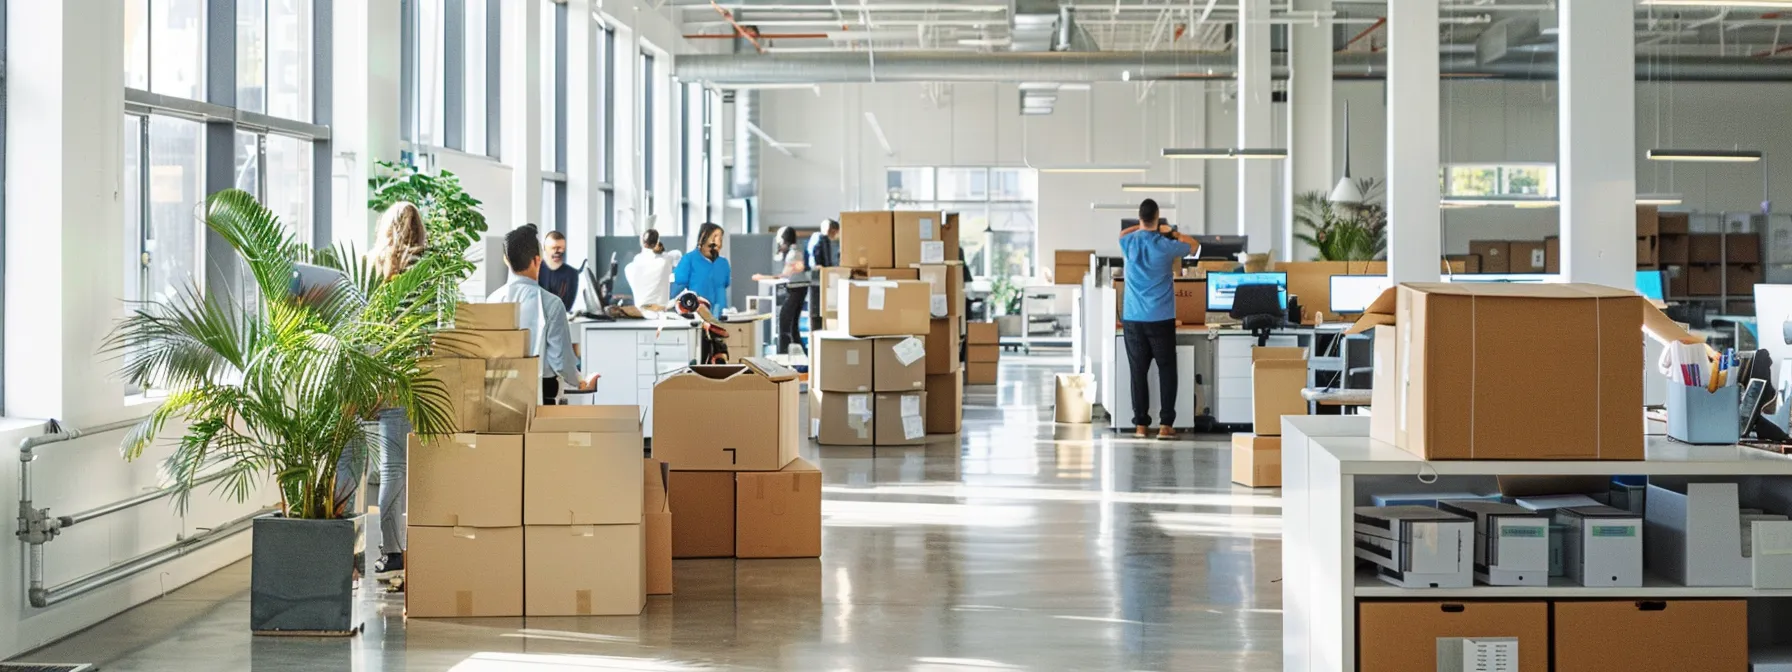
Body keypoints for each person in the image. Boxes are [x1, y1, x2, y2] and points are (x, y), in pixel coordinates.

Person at [363, 201, 426, 579]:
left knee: (389, 468)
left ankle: (390, 550)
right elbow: (436, 324)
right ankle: (421, 545)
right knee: (417, 469)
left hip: (379, 375)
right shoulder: (425, 267)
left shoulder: (370, 266)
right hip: (416, 378)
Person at [488, 225, 599, 403]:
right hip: (541, 396)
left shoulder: (492, 300)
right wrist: (581, 382)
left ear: (506, 260)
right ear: (537, 260)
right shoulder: (551, 303)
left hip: (498, 396)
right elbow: (560, 362)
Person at [1118, 199, 1198, 440]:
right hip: (1161, 317)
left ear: (1139, 217)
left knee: (1138, 372)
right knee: (1167, 370)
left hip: (1133, 319)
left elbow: (1123, 233)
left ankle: (1141, 426)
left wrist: (1141, 227)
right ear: (1158, 216)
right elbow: (1194, 246)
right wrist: (1170, 231)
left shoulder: (1128, 242)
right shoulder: (1166, 245)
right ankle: (1165, 425)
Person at [755, 226, 810, 354]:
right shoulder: (795, 251)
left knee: (784, 322)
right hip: (798, 288)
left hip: (796, 289)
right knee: (793, 325)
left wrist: (762, 277)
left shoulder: (793, 254)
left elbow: (784, 275)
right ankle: (800, 354)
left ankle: (783, 353)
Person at [672, 222, 732, 313]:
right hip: (696, 313)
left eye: (720, 239)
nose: (718, 243)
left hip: (720, 315)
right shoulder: (689, 260)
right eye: (714, 238)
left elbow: (725, 284)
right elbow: (678, 286)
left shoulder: (723, 263)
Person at [625, 229, 675, 308]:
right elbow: (675, 256)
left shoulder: (630, 267)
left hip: (640, 309)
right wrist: (662, 252)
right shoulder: (664, 262)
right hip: (659, 309)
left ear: (643, 243)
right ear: (657, 242)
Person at [805, 219, 839, 323]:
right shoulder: (822, 239)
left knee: (816, 305)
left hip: (815, 276)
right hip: (820, 277)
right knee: (819, 305)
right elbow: (822, 258)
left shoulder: (815, 237)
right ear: (832, 230)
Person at [537, 230, 579, 313]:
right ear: (545, 248)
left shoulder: (571, 274)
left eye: (560, 248)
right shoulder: (535, 270)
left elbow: (567, 306)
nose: (556, 252)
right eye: (553, 248)